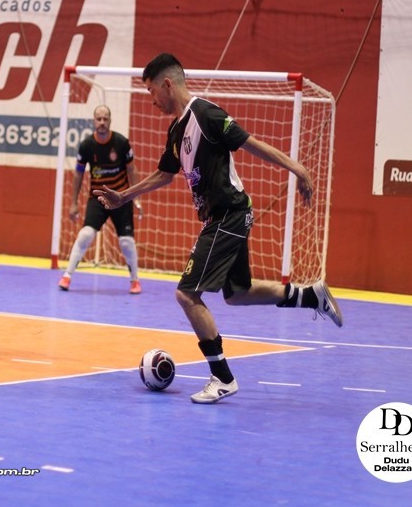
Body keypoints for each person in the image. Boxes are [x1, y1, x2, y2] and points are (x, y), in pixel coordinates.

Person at [94, 53, 343, 404]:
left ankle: (222, 378)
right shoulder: (176, 130)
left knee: (187, 294)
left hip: (229, 214)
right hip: (220, 218)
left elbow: (252, 144)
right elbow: (164, 175)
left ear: (167, 84)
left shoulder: (206, 114)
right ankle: (312, 296)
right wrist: (123, 196)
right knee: (237, 293)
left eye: (151, 91)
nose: (151, 101)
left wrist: (297, 168)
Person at [58, 104, 143, 294]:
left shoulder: (121, 142)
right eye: (99, 119)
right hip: (98, 199)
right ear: (94, 121)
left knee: (126, 242)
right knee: (85, 235)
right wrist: (73, 203)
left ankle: (135, 280)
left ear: (110, 121)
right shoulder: (87, 145)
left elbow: (132, 169)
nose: (102, 122)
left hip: (121, 198)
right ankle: (67, 276)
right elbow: (78, 174)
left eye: (105, 119)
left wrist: (135, 197)